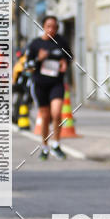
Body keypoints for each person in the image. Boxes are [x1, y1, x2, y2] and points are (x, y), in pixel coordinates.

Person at [26, 15, 72, 160]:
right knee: (45, 116)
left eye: (54, 27)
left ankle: (56, 145)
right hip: (40, 84)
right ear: (43, 27)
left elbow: (69, 58)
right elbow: (28, 66)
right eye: (48, 26)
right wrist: (38, 59)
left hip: (56, 83)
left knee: (57, 114)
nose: (51, 29)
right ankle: (45, 147)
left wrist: (65, 63)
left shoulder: (61, 42)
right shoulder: (35, 44)